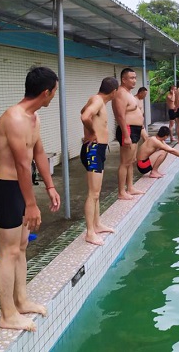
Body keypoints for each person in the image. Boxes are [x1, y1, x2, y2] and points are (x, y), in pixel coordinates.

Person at [0, 66, 61, 332]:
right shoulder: (15, 118)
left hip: (20, 187)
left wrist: (50, 186)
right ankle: (7, 315)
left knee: (20, 247)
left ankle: (21, 301)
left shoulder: (33, 118)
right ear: (46, 92)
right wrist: (31, 205)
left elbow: (38, 153)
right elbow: (22, 164)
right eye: (54, 91)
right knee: (8, 251)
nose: (54, 95)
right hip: (7, 190)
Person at [80, 77, 119, 246]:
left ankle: (97, 224)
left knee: (96, 191)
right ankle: (90, 232)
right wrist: (92, 133)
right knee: (93, 193)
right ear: (114, 92)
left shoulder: (95, 100)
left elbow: (83, 111)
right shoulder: (97, 100)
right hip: (94, 150)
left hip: (97, 150)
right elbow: (85, 116)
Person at [112, 68, 146, 200]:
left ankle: (130, 187)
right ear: (123, 79)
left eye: (135, 77)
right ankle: (121, 192)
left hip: (134, 130)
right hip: (128, 130)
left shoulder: (129, 93)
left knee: (131, 161)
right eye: (131, 78)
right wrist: (126, 135)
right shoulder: (120, 93)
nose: (134, 80)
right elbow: (120, 116)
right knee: (125, 162)